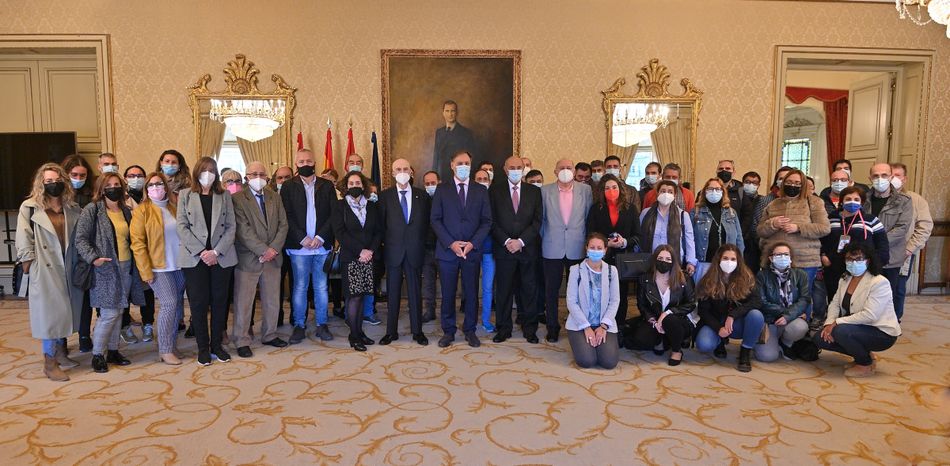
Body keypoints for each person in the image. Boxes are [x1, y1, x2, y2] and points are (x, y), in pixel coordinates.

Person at [15, 163, 83, 381]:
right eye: (49, 181)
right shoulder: (30, 207)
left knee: (66, 311)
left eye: (57, 180)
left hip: (68, 264)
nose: (54, 185)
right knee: (48, 316)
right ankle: (49, 362)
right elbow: (23, 236)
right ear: (41, 184)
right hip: (43, 267)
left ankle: (61, 353)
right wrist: (29, 263)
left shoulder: (72, 207)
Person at [75, 172, 145, 372]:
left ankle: (113, 350)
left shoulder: (126, 210)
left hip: (126, 266)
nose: (113, 188)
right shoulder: (92, 210)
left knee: (120, 311)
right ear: (101, 189)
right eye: (109, 185)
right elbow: (80, 239)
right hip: (105, 268)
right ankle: (98, 354)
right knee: (108, 313)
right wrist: (93, 258)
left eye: (117, 184)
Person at [177, 157, 238, 365]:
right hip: (195, 259)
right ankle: (202, 348)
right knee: (199, 303)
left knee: (220, 302)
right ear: (196, 172)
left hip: (221, 258)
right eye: (204, 170)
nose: (208, 174)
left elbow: (231, 227)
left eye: (212, 170)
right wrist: (202, 251)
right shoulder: (185, 195)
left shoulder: (224, 195)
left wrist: (216, 252)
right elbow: (182, 227)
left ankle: (217, 345)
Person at [430, 151, 492, 348]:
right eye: (460, 163)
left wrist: (473, 243)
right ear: (452, 165)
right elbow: (435, 219)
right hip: (448, 251)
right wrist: (452, 243)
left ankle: (470, 330)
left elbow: (486, 221)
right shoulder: (442, 189)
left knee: (471, 293)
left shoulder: (480, 190)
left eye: (467, 163)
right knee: (447, 293)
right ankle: (448, 331)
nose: (463, 166)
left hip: (471, 250)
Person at [814, 242, 901, 377]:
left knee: (841, 331)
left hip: (881, 332)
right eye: (849, 259)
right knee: (819, 338)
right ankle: (864, 354)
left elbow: (870, 315)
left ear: (868, 260)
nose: (854, 263)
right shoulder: (845, 278)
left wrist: (836, 322)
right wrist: (828, 324)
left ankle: (864, 364)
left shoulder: (879, 282)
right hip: (857, 327)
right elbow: (835, 303)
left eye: (859, 259)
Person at [231, 161, 289, 357]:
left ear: (267, 177)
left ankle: (270, 334)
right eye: (253, 174)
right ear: (246, 177)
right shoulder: (237, 199)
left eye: (261, 174)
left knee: (272, 300)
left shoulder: (275, 197)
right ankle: (242, 339)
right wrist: (263, 250)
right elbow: (242, 229)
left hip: (273, 257)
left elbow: (283, 224)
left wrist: (273, 249)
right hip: (248, 258)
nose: (258, 177)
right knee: (244, 302)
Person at [757, 168, 830, 318]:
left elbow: (824, 228)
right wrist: (773, 224)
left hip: (805, 260)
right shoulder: (773, 204)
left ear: (803, 184)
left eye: (797, 183)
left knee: (803, 297)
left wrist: (799, 228)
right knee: (776, 296)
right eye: (789, 182)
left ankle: (800, 333)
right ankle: (778, 329)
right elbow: (760, 231)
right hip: (776, 260)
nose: (793, 185)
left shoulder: (814, 202)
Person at [130, 172, 187, 365]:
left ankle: (171, 344)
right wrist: (145, 271)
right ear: (146, 190)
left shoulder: (174, 206)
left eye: (159, 184)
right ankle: (164, 349)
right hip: (157, 267)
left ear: (166, 186)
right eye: (151, 185)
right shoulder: (142, 210)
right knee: (169, 303)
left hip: (178, 264)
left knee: (177, 304)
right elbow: (137, 243)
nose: (156, 188)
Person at [281, 149, 337, 343]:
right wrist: (302, 238)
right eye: (301, 161)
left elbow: (333, 214)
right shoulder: (288, 187)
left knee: (321, 287)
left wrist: (320, 237)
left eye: (309, 161)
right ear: (296, 164)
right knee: (300, 287)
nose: (305, 164)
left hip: (322, 246)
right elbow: (286, 215)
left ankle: (322, 324)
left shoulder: (327, 186)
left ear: (315, 162)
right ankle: (299, 325)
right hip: (299, 247)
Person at [489, 156, 543, 343]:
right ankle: (503, 328)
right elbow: (491, 221)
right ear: (504, 169)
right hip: (504, 250)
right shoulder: (494, 191)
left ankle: (530, 329)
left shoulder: (534, 192)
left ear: (524, 169)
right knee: (503, 291)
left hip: (527, 250)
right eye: (511, 167)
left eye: (519, 167)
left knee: (529, 290)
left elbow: (537, 221)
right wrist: (506, 241)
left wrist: (520, 241)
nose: (515, 170)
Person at [378, 159, 430, 346]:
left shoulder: (422, 196)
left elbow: (427, 225)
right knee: (392, 293)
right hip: (393, 251)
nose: (402, 172)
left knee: (415, 293)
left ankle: (418, 332)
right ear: (392, 173)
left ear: (411, 172)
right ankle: (391, 332)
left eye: (405, 169)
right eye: (398, 169)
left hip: (415, 251)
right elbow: (381, 226)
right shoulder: (385, 197)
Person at [540, 159, 593, 342]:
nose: (565, 171)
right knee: (551, 290)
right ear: (555, 171)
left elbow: (587, 218)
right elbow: (541, 221)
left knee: (578, 291)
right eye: (561, 168)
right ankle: (552, 327)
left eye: (568, 168)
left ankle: (577, 325)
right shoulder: (544, 191)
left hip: (576, 246)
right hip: (551, 247)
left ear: (574, 170)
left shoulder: (585, 191)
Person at [331, 171, 383, 351]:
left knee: (362, 296)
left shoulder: (372, 206)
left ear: (363, 186)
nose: (355, 186)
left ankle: (359, 332)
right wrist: (360, 251)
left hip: (368, 257)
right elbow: (340, 233)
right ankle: (354, 336)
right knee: (354, 297)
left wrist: (370, 251)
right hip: (351, 258)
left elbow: (378, 231)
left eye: (358, 183)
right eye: (351, 183)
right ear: (346, 186)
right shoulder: (339, 206)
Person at [695, 244, 763, 372]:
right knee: (704, 345)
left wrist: (733, 315)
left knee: (756, 315)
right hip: (716, 322)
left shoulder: (747, 277)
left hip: (737, 323)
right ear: (718, 260)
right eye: (725, 258)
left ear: (738, 261)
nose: (729, 262)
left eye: (733, 259)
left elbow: (757, 301)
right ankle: (720, 341)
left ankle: (745, 352)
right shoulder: (708, 280)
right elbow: (703, 311)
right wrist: (718, 328)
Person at [586, 174, 639, 331]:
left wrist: (625, 242)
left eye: (614, 187)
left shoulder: (631, 209)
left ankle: (619, 326)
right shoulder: (596, 209)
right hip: (602, 258)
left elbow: (638, 235)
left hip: (623, 260)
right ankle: (600, 325)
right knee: (601, 294)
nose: (611, 191)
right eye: (607, 188)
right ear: (602, 190)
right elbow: (589, 232)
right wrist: (605, 243)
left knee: (620, 295)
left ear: (620, 189)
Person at [630, 245, 696, 366]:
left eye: (668, 259)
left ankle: (677, 350)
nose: (663, 262)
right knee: (641, 338)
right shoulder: (645, 279)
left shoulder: (684, 278)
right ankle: (665, 339)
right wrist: (653, 321)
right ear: (655, 259)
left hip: (679, 320)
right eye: (660, 258)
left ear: (673, 262)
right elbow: (642, 305)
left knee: (669, 320)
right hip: (655, 319)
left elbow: (691, 303)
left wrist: (667, 313)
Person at [820, 186, 889, 301]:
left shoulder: (871, 220)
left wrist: (874, 264)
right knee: (835, 299)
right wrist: (823, 256)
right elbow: (822, 241)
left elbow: (882, 245)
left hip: (862, 268)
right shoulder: (830, 220)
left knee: (860, 300)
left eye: (856, 199)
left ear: (862, 202)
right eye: (848, 199)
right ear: (841, 201)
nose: (852, 202)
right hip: (834, 268)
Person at [864, 163, 913, 321]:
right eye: (876, 176)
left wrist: (878, 242)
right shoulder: (863, 198)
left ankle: (885, 325)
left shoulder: (904, 200)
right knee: (865, 293)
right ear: (870, 178)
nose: (880, 179)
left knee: (887, 293)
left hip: (890, 257)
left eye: (884, 175)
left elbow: (901, 228)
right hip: (865, 256)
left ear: (891, 177)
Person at [565, 233, 620, 369]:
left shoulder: (612, 271)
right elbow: (571, 301)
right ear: (586, 249)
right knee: (587, 361)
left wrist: (603, 327)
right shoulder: (575, 270)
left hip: (604, 323)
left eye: (599, 248)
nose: (595, 251)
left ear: (605, 250)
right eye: (592, 247)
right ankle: (583, 341)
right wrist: (586, 327)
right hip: (580, 323)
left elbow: (614, 301)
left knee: (609, 362)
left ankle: (598, 341)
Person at [61, 154, 95, 352]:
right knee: (64, 299)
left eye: (82, 175)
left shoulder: (91, 196)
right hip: (64, 253)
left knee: (85, 299)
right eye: (74, 174)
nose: (78, 179)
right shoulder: (59, 197)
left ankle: (84, 335)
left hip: (85, 254)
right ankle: (62, 340)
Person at [754, 243, 811, 362]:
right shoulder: (762, 275)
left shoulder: (801, 275)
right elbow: (761, 302)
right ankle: (771, 340)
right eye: (778, 254)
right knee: (767, 356)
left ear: (791, 258)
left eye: (786, 254)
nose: (782, 257)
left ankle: (786, 343)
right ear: (770, 258)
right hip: (770, 320)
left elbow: (804, 299)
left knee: (800, 327)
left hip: (790, 320)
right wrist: (788, 312)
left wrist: (789, 316)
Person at [122, 164, 155, 343]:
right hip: (126, 251)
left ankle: (148, 324)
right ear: (125, 178)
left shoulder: (151, 196)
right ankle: (125, 326)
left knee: (148, 289)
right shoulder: (120, 198)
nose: (136, 178)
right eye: (131, 175)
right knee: (126, 291)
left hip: (146, 251)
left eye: (140, 175)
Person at [890, 162, 934, 293]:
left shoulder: (916, 200)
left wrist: (909, 249)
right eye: (890, 175)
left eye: (897, 175)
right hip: (879, 252)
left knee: (898, 289)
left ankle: (896, 314)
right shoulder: (875, 198)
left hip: (903, 253)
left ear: (904, 179)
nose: (893, 179)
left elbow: (925, 227)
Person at [638, 180, 697, 276]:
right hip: (649, 261)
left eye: (670, 192)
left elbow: (689, 239)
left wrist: (691, 262)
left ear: (674, 195)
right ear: (657, 193)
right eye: (663, 191)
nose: (666, 194)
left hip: (674, 262)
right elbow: (639, 237)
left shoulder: (682, 215)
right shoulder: (645, 213)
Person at [692, 177, 743, 282]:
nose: (714, 192)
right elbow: (689, 239)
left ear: (723, 192)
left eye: (718, 189)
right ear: (704, 191)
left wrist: (739, 262)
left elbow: (739, 239)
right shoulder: (696, 212)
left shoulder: (731, 213)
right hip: (704, 264)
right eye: (710, 189)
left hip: (727, 265)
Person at [268, 165, 294, 326]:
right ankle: (277, 317)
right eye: (280, 178)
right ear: (274, 180)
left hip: (295, 245)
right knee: (275, 285)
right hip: (275, 248)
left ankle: (296, 316)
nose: (284, 181)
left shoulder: (299, 194)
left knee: (296, 284)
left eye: (287, 177)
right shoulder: (269, 197)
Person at [432, 100, 476, 181]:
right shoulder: (439, 132)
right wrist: (434, 176)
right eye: (447, 111)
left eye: (453, 111)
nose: (450, 114)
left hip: (458, 176)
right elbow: (436, 156)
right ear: (443, 113)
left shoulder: (466, 133)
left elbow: (469, 159)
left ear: (457, 113)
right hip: (441, 177)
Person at [474, 169, 496, 332]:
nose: (482, 181)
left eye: (484, 179)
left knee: (488, 288)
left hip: (489, 251)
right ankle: (471, 320)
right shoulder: (468, 198)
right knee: (471, 287)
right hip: (472, 250)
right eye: (478, 179)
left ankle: (486, 320)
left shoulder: (495, 198)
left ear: (489, 181)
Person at [420, 170, 441, 323]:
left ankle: (447, 312)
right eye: (427, 184)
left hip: (444, 247)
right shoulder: (421, 200)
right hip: (426, 248)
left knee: (448, 283)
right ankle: (430, 310)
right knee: (428, 283)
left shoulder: (446, 198)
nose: (430, 186)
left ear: (439, 183)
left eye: (433, 183)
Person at [739, 171, 762, 272]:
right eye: (748, 182)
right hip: (740, 239)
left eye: (754, 183)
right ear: (743, 183)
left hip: (755, 243)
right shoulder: (737, 199)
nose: (751, 185)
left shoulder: (762, 200)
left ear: (758, 185)